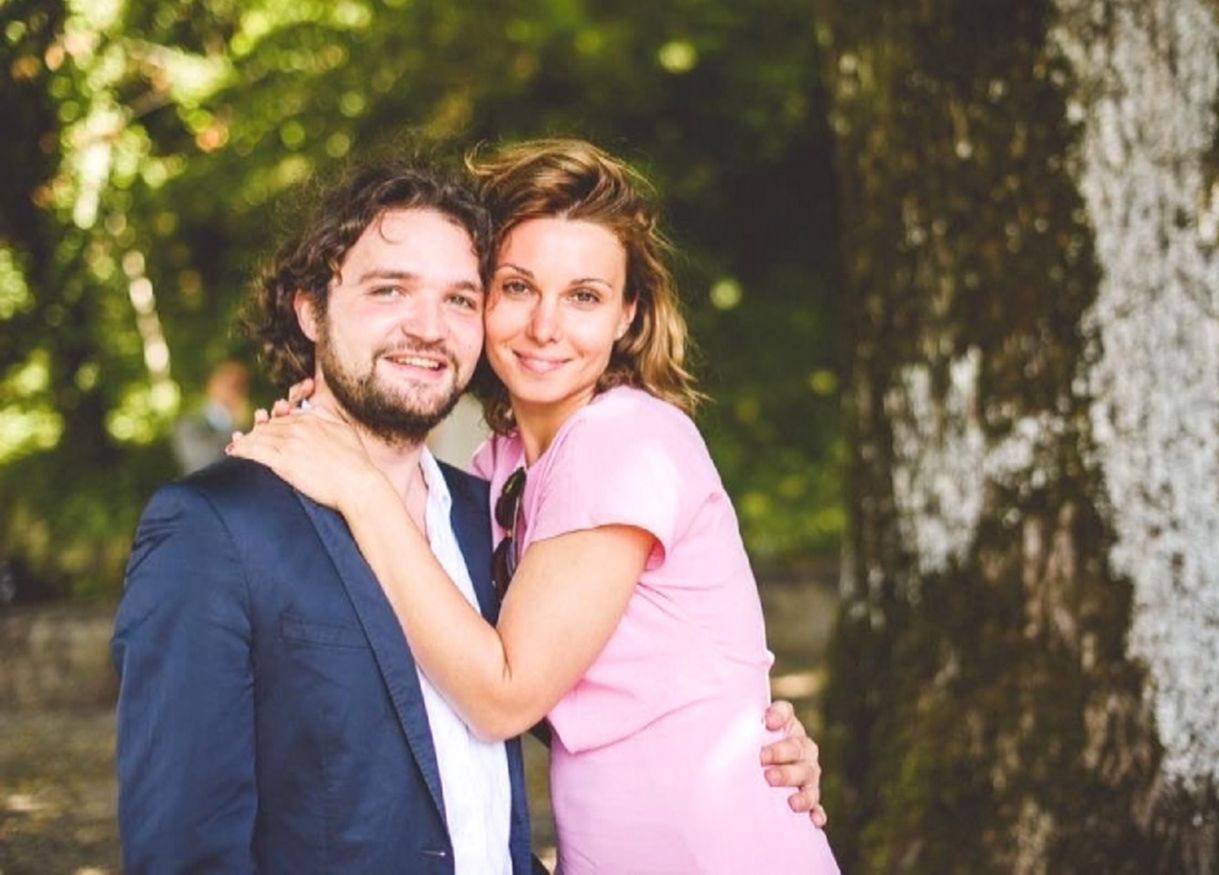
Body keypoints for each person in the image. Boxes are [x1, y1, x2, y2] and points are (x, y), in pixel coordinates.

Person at [114, 155, 822, 874]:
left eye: (457, 297)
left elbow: (504, 696)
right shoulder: (486, 486)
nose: (544, 326)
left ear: (627, 312)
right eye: (391, 289)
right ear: (310, 309)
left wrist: (742, 734)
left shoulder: (611, 448)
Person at [171, 359, 251, 473]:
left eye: (240, 385)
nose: (233, 390)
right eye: (227, 383)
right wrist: (236, 427)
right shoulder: (188, 424)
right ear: (211, 384)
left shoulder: (250, 426)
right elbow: (205, 461)